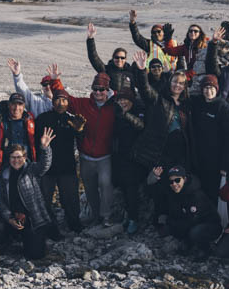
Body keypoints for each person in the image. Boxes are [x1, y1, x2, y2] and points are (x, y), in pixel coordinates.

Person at [131, 50, 192, 225]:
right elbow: (145, 90)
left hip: (180, 151)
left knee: (177, 183)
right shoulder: (160, 100)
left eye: (181, 83)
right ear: (169, 82)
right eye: (175, 82)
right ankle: (159, 218)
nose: (177, 85)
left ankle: (175, 218)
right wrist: (142, 71)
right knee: (160, 183)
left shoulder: (186, 104)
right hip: (161, 150)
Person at [61, 68, 117, 226]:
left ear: (107, 90)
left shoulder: (114, 106)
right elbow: (67, 99)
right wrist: (54, 81)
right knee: (90, 187)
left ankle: (106, 216)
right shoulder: (84, 104)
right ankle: (96, 215)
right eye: (95, 89)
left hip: (105, 156)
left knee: (105, 184)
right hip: (86, 156)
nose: (98, 92)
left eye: (101, 89)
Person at [0, 128, 57, 260]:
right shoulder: (4, 175)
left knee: (35, 254)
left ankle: (32, 239)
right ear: (9, 158)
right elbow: (2, 202)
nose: (16, 160)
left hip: (32, 219)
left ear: (24, 158)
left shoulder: (31, 170)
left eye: (19, 157)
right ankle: (11, 238)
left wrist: (45, 148)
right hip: (14, 217)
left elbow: (44, 165)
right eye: (13, 157)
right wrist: (9, 219)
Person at [34, 89, 86, 235]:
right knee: (44, 198)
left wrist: (79, 131)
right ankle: (48, 226)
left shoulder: (72, 120)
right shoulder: (43, 119)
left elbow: (82, 141)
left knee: (71, 198)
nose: (60, 103)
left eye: (64, 100)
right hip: (47, 167)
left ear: (68, 103)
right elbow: (35, 140)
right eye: (57, 99)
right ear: (52, 101)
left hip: (67, 166)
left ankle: (74, 223)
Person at [153, 166, 221, 257]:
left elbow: (191, 221)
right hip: (190, 222)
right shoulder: (175, 191)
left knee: (194, 232)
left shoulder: (196, 195)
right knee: (170, 227)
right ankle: (187, 244)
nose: (174, 184)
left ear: (184, 179)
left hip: (209, 225)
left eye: (177, 180)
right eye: (171, 182)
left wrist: (170, 223)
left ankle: (205, 250)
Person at [188, 74, 229, 201]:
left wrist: (225, 165)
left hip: (215, 160)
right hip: (198, 157)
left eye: (211, 88)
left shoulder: (223, 108)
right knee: (197, 189)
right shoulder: (198, 103)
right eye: (206, 88)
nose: (209, 91)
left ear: (217, 89)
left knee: (212, 192)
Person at [111, 87, 146, 234]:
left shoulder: (138, 111)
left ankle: (134, 219)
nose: (123, 102)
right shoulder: (116, 113)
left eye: (125, 99)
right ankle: (126, 216)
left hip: (135, 158)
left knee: (132, 189)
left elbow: (140, 125)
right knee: (122, 188)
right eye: (120, 100)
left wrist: (126, 115)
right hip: (119, 157)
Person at [86, 23, 139, 95]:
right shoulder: (106, 70)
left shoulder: (130, 71)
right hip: (112, 100)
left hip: (128, 100)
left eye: (122, 58)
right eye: (117, 57)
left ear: (126, 59)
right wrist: (90, 39)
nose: (119, 60)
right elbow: (94, 58)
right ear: (113, 58)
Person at [161, 24, 209, 92]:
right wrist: (168, 38)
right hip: (190, 72)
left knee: (180, 78)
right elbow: (171, 51)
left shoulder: (204, 46)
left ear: (200, 33)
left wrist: (187, 75)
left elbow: (201, 66)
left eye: (195, 31)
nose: (193, 33)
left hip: (202, 73)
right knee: (176, 75)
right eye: (190, 31)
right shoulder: (187, 46)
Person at [0, 93, 37, 165]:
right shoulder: (0, 122)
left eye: (20, 104)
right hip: (7, 165)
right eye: (14, 104)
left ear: (24, 106)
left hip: (26, 163)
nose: (16, 108)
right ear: (9, 105)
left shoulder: (30, 120)